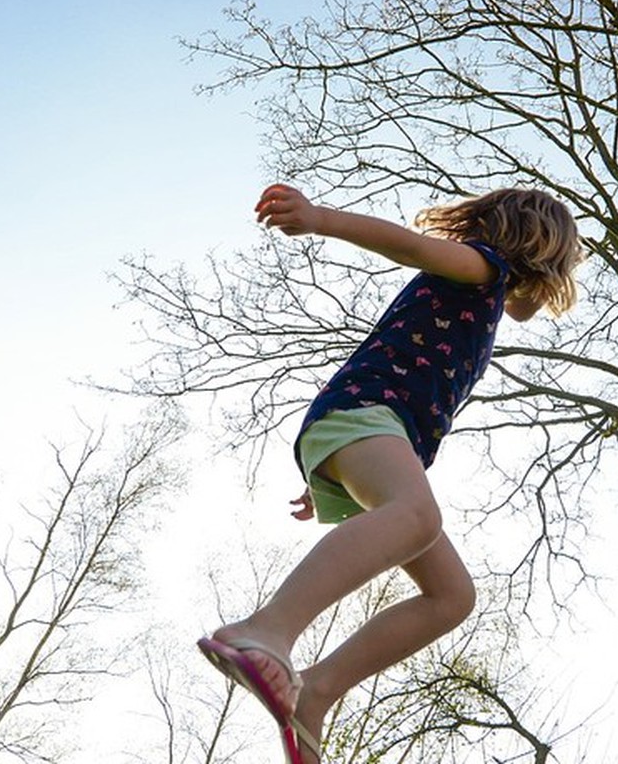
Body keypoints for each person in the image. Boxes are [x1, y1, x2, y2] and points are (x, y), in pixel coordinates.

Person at [197, 183, 582, 764]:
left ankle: (315, 694)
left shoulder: (486, 295)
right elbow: (408, 244)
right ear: (536, 249)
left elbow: (526, 308)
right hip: (365, 415)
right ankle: (264, 629)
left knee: (452, 595)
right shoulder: (481, 268)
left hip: (367, 431)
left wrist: (335, 468)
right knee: (419, 515)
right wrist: (320, 218)